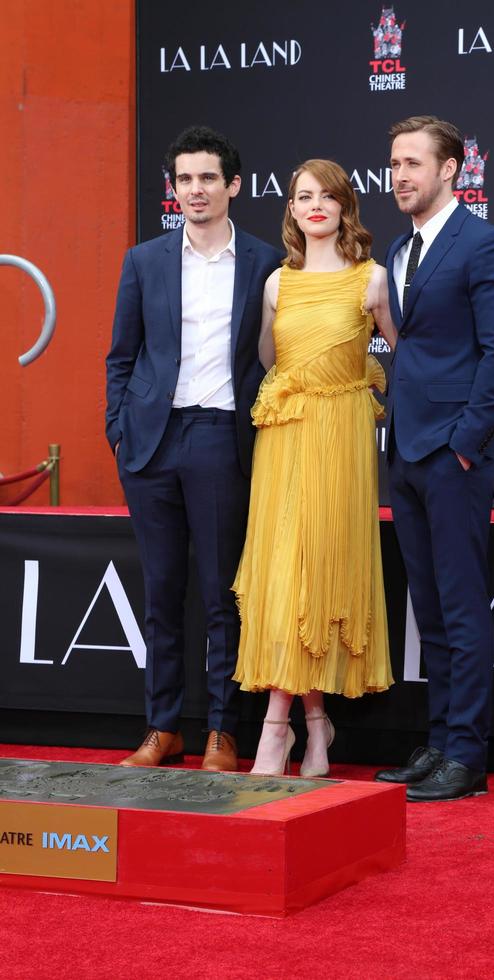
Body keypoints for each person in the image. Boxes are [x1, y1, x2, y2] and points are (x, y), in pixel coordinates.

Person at [105, 126, 282, 770]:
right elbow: (121, 354)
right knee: (160, 593)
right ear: (173, 188)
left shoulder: (265, 262)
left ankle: (220, 730)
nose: (196, 190)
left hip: (219, 437)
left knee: (219, 595)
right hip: (150, 443)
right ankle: (161, 727)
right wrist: (118, 427)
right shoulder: (144, 260)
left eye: (208, 178)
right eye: (185, 179)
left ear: (233, 186)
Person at [374, 116, 494, 801]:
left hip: (452, 457)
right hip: (405, 453)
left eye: (413, 163)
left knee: (461, 608)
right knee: (428, 612)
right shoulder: (400, 253)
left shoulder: (486, 245)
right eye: (394, 163)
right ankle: (438, 744)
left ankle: (467, 754)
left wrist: (464, 446)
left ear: (450, 170)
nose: (399, 175)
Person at [232, 159, 396, 777]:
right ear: (292, 210)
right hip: (284, 438)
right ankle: (313, 725)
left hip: (343, 437)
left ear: (345, 205)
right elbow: (271, 362)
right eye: (305, 196)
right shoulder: (276, 284)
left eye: (328, 195)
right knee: (285, 575)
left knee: (322, 571)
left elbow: (409, 355)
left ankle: (282, 729)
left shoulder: (373, 280)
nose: (316, 205)